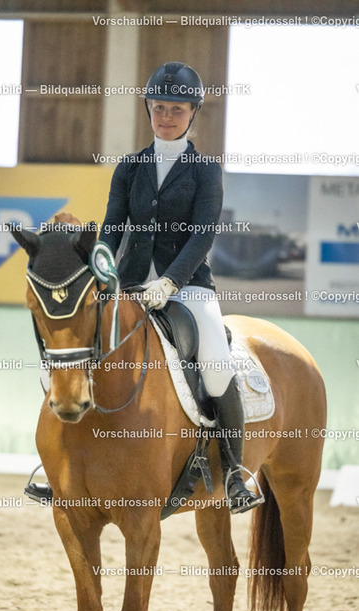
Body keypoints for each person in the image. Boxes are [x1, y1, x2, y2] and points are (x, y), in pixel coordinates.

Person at [97, 61, 262, 514]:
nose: (166, 116)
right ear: (148, 109)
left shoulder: (205, 170)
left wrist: (171, 280)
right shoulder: (129, 168)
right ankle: (65, 464)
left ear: (193, 113)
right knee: (82, 350)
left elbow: (203, 234)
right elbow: (111, 228)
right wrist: (103, 269)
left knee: (215, 364)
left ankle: (234, 473)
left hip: (189, 288)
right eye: (159, 107)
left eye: (177, 109)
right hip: (131, 285)